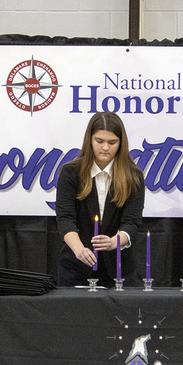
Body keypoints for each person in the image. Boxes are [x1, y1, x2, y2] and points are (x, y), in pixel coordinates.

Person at [55, 112, 145, 287]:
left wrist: (113, 242)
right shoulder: (70, 173)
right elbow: (65, 219)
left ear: (121, 143)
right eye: (99, 141)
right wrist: (79, 249)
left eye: (112, 142)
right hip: (75, 269)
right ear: (89, 140)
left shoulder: (133, 176)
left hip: (120, 270)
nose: (105, 148)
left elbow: (132, 222)